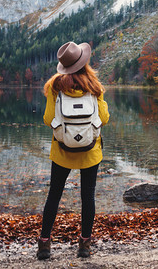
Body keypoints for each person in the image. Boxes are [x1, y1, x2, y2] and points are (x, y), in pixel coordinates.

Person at [37, 41, 110, 260]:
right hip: (90, 151)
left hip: (62, 151)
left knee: (54, 195)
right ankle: (84, 246)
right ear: (83, 62)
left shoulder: (55, 87)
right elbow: (104, 118)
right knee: (88, 196)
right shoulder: (95, 86)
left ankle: (44, 245)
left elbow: (49, 119)